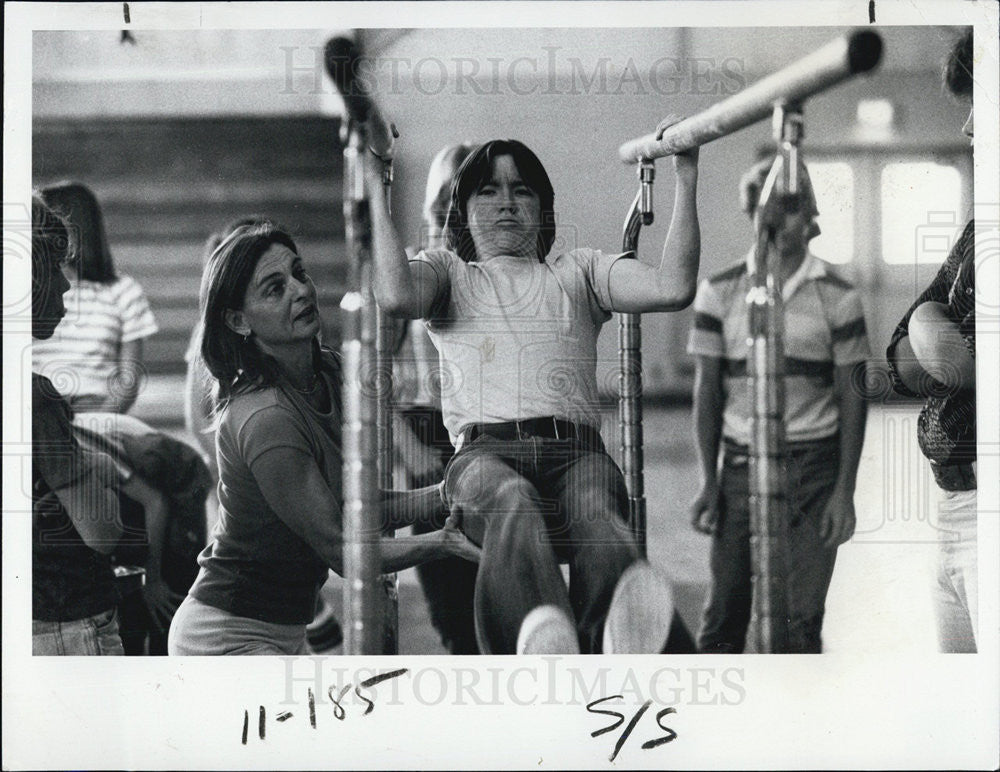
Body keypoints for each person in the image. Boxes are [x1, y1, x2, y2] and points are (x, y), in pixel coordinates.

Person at [368, 133, 701, 655]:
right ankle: (540, 632)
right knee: (513, 501)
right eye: (488, 191)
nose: (505, 202)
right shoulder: (450, 273)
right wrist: (375, 182)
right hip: (484, 455)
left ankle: (617, 630)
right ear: (462, 211)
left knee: (595, 510)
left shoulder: (580, 271)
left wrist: (686, 174)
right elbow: (393, 294)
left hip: (576, 454)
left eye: (521, 190)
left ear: (544, 210)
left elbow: (673, 287)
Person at [167, 222, 480, 655]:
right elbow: (342, 549)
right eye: (275, 289)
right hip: (225, 637)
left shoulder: (329, 373)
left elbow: (359, 505)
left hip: (284, 630)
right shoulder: (265, 418)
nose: (300, 290)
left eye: (299, 272)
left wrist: (447, 495)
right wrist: (441, 541)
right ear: (238, 320)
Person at [687, 159, 869, 654]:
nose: (776, 222)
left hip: (813, 470)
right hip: (741, 469)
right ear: (750, 214)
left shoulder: (839, 296)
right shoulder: (719, 291)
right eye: (764, 210)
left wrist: (843, 492)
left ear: (810, 215)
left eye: (790, 209)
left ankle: (793, 725)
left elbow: (853, 395)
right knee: (724, 616)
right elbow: (708, 394)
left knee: (799, 622)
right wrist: (709, 480)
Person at [885, 29, 977, 653]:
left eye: (984, 103)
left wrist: (940, 339)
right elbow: (899, 358)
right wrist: (927, 330)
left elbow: (971, 366)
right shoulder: (982, 229)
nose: (968, 128)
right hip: (951, 498)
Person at [393, 143, 481, 655]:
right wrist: (409, 449)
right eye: (445, 195)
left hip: (484, 435)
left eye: (463, 195)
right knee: (452, 612)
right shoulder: (412, 268)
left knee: (491, 593)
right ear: (431, 202)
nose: (453, 207)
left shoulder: (492, 272)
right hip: (430, 433)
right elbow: (366, 376)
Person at [30, 194, 126, 655]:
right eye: (54, 267)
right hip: (65, 619)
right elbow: (102, 532)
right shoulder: (36, 398)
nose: (67, 286)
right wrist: (101, 475)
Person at [73, 412, 211, 655]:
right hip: (144, 485)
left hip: (178, 482)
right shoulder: (58, 433)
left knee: (166, 599)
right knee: (132, 600)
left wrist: (154, 579)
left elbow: (154, 502)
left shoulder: (79, 440)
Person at [32, 182, 158, 414]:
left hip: (98, 409)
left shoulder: (124, 291)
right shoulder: (35, 286)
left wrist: (97, 421)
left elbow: (128, 380)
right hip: (40, 407)